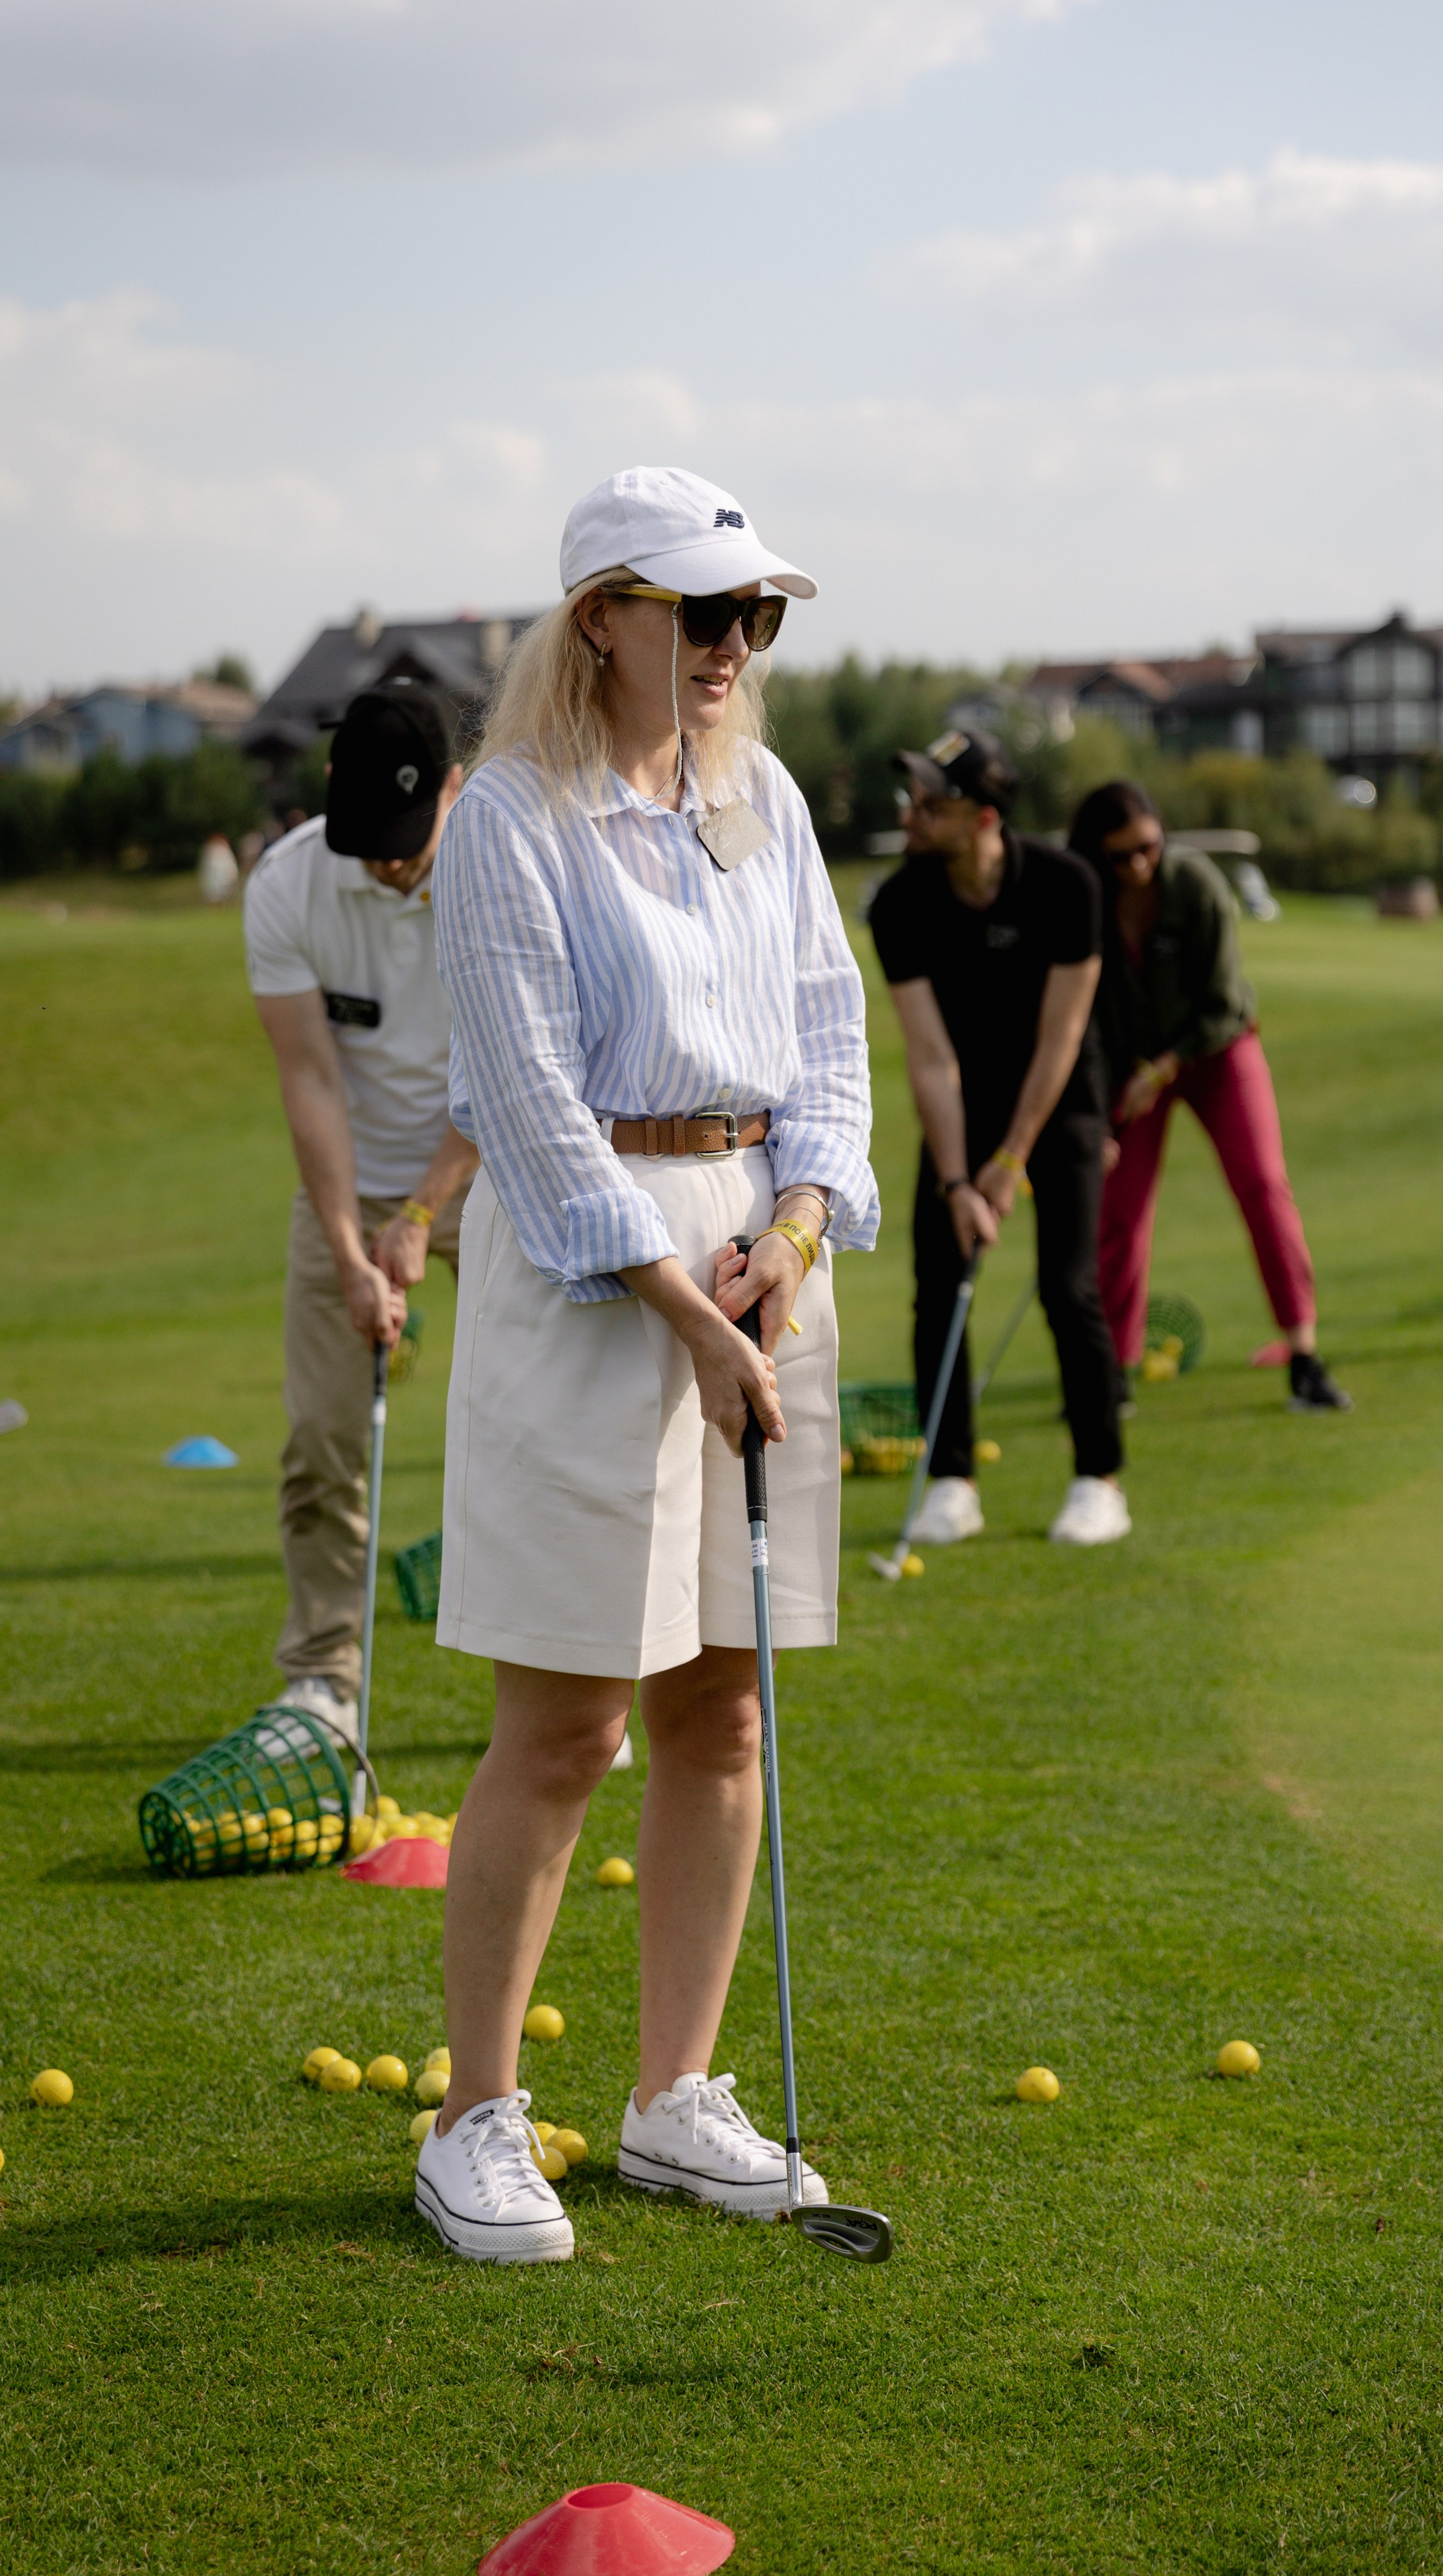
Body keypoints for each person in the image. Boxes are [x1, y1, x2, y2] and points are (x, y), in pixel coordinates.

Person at [417, 466, 877, 2263]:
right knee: (567, 1725)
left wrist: (802, 1229)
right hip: (596, 1282)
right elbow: (529, 1110)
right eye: (701, 610)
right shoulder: (509, 817)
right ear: (601, 616)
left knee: (724, 1710)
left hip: (763, 1257)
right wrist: (687, 1311)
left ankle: (673, 2096)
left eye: (753, 614)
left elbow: (825, 1031)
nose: (733, 642)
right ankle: (473, 2115)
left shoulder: (761, 795)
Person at [245, 680, 482, 1744]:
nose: (387, 863)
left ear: (454, 789)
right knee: (323, 1439)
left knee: (535, 1424)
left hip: (499, 1171)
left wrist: (422, 1215)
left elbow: (515, 1070)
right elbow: (310, 1081)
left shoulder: (504, 866)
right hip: (350, 1184)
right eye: (368, 835)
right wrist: (350, 1247)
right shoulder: (287, 884)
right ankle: (323, 1683)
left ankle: (568, 1679)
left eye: (406, 836)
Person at [869, 728, 1128, 1548]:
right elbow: (930, 1056)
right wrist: (957, 1183)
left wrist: (1012, 1160)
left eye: (931, 804)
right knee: (939, 1281)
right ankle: (952, 1481)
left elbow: (1062, 1038)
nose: (911, 815)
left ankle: (1098, 1480)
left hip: (1061, 1101)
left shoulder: (1067, 885)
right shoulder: (898, 904)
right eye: (911, 799)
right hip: (962, 1105)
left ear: (983, 817)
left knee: (1067, 1286)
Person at [1069, 781, 1351, 1413]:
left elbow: (1224, 1003)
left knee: (1263, 1185)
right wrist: (1100, 1107)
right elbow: (1082, 1019)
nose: (1139, 865)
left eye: (1148, 847)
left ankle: (1304, 1356)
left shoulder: (1195, 885)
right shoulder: (1086, 902)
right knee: (1120, 1213)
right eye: (1121, 855)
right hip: (1129, 1069)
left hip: (1217, 1052)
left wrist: (1163, 1069)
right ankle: (1112, 1370)